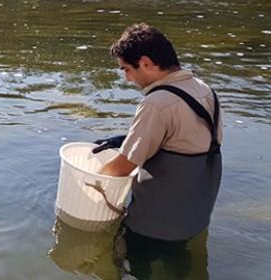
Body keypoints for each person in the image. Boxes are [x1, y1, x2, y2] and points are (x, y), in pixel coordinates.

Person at [95, 23, 223, 243]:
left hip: (153, 228)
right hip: (194, 219)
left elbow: (121, 168)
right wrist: (128, 140)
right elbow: (187, 142)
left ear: (145, 63)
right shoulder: (205, 90)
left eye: (126, 69)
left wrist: (92, 180)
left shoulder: (157, 103)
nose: (127, 78)